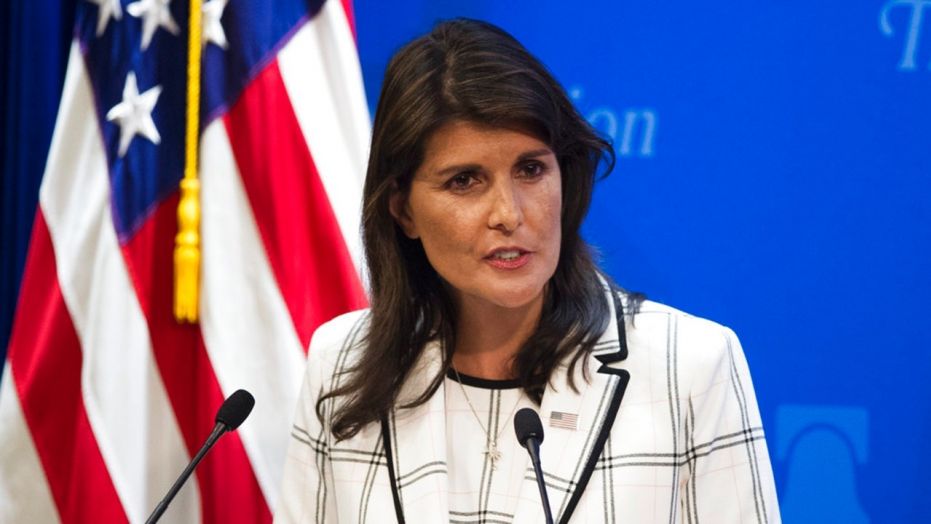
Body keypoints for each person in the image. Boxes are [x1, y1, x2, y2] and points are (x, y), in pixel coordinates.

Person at [276, 18, 780, 524]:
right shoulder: (340, 362)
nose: (509, 214)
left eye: (531, 170)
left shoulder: (688, 367)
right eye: (465, 180)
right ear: (403, 211)